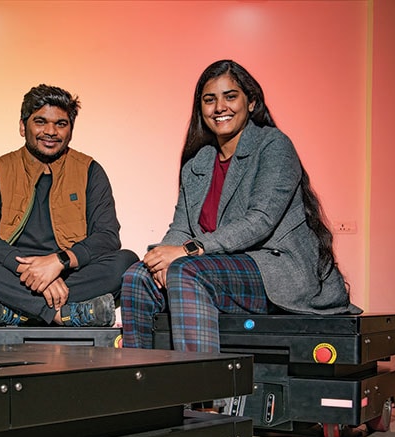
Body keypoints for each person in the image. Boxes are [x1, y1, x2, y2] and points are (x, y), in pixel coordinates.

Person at [122, 59, 359, 353]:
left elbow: (260, 221)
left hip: (273, 268)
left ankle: (202, 395)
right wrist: (161, 259)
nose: (220, 107)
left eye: (230, 96)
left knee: (186, 270)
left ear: (251, 102)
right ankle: (143, 387)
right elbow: (181, 226)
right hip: (215, 267)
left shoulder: (273, 146)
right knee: (136, 277)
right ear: (201, 109)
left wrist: (184, 252)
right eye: (210, 100)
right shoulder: (197, 164)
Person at [0, 84, 138, 327]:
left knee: (127, 263)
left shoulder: (89, 170)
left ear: (71, 130)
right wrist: (31, 272)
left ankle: (16, 311)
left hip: (69, 273)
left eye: (60, 124)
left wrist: (58, 262)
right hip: (13, 273)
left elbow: (107, 237)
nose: (50, 131)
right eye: (40, 122)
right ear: (22, 126)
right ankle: (63, 314)